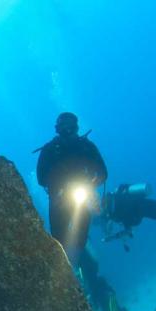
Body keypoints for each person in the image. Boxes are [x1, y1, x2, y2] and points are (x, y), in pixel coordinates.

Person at [36, 112, 108, 263]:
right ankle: (59, 268)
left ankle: (79, 264)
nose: (67, 129)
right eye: (64, 126)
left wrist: (89, 185)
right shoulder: (49, 149)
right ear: (58, 128)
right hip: (58, 200)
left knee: (80, 238)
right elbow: (41, 178)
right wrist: (59, 186)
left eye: (70, 125)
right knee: (57, 241)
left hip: (81, 199)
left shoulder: (87, 146)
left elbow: (102, 173)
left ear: (76, 127)